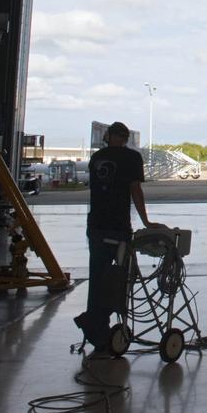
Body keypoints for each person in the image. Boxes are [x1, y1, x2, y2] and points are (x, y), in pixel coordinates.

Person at [75, 121, 153, 354]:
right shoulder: (132, 158)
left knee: (97, 279)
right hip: (118, 227)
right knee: (118, 281)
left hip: (96, 226)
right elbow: (135, 190)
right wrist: (146, 221)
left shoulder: (97, 157)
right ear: (126, 138)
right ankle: (96, 322)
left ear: (108, 136)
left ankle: (96, 327)